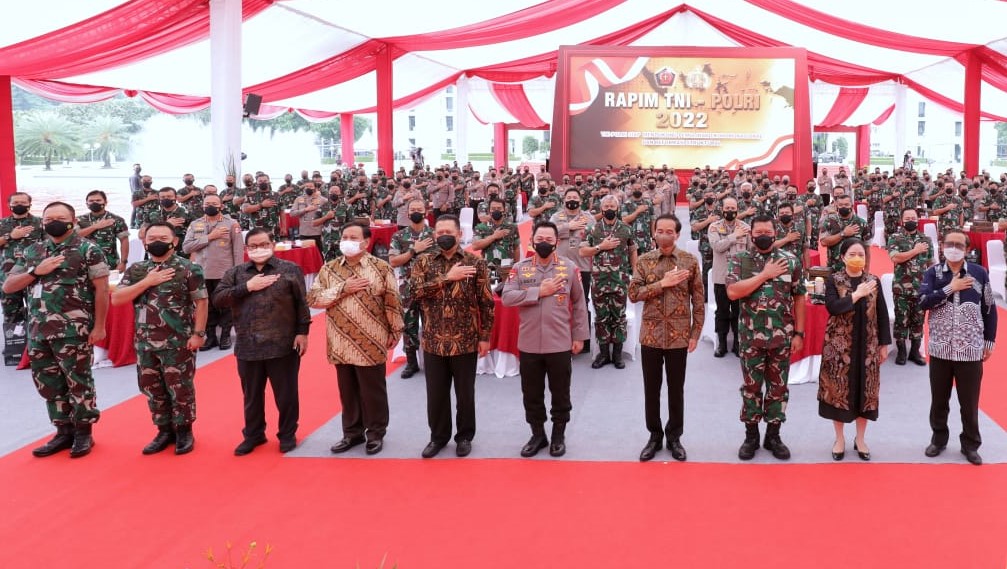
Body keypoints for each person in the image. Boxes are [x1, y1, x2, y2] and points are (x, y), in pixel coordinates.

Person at [3, 202, 109, 458]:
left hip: (74, 330)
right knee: (48, 383)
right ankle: (63, 431)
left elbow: (102, 290)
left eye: (60, 217)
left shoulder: (88, 249)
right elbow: (8, 286)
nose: (54, 222)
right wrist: (35, 271)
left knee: (78, 382)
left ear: (73, 220)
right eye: (49, 218)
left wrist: (99, 327)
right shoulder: (33, 250)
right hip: (39, 330)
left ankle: (83, 432)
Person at [112, 222, 208, 455]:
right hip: (145, 342)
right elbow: (117, 299)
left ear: (174, 242)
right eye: (151, 237)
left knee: (180, 388)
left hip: (178, 341)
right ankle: (164, 430)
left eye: (162, 237)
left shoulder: (188, 268)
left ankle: (184, 430)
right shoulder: (136, 269)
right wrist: (147, 282)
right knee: (151, 387)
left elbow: (202, 302)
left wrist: (198, 334)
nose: (156, 241)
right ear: (144, 241)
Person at [212, 228, 311, 455]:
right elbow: (218, 299)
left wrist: (302, 332)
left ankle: (287, 434)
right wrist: (247, 287)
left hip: (283, 344)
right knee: (252, 395)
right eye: (253, 246)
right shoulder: (236, 273)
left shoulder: (289, 269)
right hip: (248, 345)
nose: (259, 249)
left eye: (263, 244)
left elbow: (301, 304)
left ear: (273, 244)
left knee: (286, 394)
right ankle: (254, 434)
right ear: (246, 249)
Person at [308, 223, 403, 456]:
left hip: (372, 339)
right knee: (347, 391)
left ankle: (376, 433)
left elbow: (392, 301)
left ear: (366, 242)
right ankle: (352, 433)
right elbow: (314, 298)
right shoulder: (329, 269)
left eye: (353, 237)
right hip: (340, 340)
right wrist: (343, 288)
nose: (347, 241)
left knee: (373, 391)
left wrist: (395, 331)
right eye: (344, 236)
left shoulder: (380, 268)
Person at [501, 222, 589, 458]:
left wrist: (580, 335)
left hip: (559, 343)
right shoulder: (520, 269)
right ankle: (538, 434)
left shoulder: (569, 268)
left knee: (560, 392)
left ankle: (558, 435)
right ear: (532, 240)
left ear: (556, 243)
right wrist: (539, 291)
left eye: (549, 239)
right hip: (529, 343)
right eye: (540, 238)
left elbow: (580, 303)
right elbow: (507, 297)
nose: (544, 243)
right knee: (531, 393)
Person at [409, 215, 494, 458]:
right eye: (439, 232)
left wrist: (485, 336)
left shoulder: (474, 262)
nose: (443, 235)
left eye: (449, 231)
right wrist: (447, 278)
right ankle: (438, 437)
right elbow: (414, 293)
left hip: (465, 339)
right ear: (434, 235)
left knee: (465, 394)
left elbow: (486, 302)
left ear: (459, 235)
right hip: (434, 340)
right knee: (436, 394)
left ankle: (465, 436)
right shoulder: (423, 262)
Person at [726, 215, 806, 461]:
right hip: (751, 337)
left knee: (778, 389)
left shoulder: (790, 261)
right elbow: (732, 292)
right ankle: (751, 436)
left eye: (768, 231)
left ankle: (773, 435)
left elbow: (799, 297)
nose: (763, 234)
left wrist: (799, 332)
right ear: (751, 235)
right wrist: (765, 274)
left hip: (782, 337)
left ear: (775, 233)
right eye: (758, 231)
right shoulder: (740, 260)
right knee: (751, 388)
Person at [628, 214, 704, 462]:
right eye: (659, 230)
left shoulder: (689, 261)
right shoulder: (645, 260)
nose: (664, 235)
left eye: (669, 231)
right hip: (650, 335)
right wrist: (662, 283)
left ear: (677, 234)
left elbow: (698, 300)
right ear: (654, 233)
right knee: (651, 389)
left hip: (679, 336)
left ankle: (674, 436)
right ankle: (653, 435)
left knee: (675, 389)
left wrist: (696, 333)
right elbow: (634, 294)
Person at [919, 230, 997, 466]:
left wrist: (989, 341)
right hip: (941, 349)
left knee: (969, 401)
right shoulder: (933, 273)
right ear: (942, 246)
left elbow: (990, 308)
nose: (953, 248)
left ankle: (971, 444)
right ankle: (939, 439)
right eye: (949, 244)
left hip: (970, 348)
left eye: (958, 244)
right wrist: (949, 288)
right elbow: (923, 302)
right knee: (939, 399)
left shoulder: (979, 273)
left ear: (967, 248)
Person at [818, 239, 891, 461]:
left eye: (861, 254)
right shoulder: (834, 280)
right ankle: (839, 438)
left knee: (865, 391)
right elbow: (833, 307)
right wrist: (856, 294)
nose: (857, 257)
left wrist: (884, 344)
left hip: (867, 345)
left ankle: (860, 438)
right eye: (852, 254)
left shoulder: (873, 280)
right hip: (839, 346)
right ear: (843, 257)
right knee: (838, 390)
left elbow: (882, 314)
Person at [580, 195, 638, 369]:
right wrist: (600, 247)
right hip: (599, 279)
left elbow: (632, 251)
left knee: (619, 317)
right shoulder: (592, 228)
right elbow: (583, 252)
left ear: (618, 208)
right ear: (601, 208)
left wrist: (634, 273)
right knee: (601, 317)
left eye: (613, 205)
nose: (609, 208)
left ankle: (617, 355)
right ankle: (603, 354)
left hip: (620, 279)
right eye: (606, 205)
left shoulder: (626, 229)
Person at [182, 193, 244, 350]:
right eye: (207, 203)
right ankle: (210, 337)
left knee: (226, 305)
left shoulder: (232, 224)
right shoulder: (195, 224)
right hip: (201, 272)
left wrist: (238, 272)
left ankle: (225, 336)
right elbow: (187, 247)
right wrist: (210, 237)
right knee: (205, 306)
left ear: (221, 206)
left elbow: (238, 251)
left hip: (224, 272)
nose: (210, 206)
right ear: (202, 206)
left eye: (214, 203)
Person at [389, 198, 437, 379]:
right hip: (407, 288)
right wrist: (413, 250)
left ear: (426, 211)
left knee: (431, 324)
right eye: (413, 209)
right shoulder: (399, 236)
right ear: (407, 213)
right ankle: (411, 363)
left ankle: (432, 362)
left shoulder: (434, 234)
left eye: (419, 208)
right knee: (408, 325)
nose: (416, 211)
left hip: (430, 287)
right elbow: (393, 261)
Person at [550, 188, 596, 351]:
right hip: (559, 267)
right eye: (569, 197)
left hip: (582, 267)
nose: (572, 200)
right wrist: (569, 226)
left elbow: (593, 235)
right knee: (559, 301)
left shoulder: (588, 217)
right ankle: (560, 338)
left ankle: (583, 340)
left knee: (582, 303)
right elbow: (550, 234)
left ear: (581, 200)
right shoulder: (557, 217)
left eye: (575, 197)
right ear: (564, 200)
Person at [887, 208, 933, 365]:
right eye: (907, 218)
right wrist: (915, 250)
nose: (910, 220)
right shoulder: (895, 237)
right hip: (901, 288)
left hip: (921, 289)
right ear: (902, 220)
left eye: (913, 217)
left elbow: (930, 263)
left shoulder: (926, 239)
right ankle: (901, 352)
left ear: (918, 219)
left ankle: (915, 352)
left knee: (918, 321)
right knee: (901, 321)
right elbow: (896, 258)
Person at [708, 197, 749, 357]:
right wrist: (734, 236)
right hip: (722, 277)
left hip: (741, 278)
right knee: (722, 312)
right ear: (722, 209)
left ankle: (738, 345)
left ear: (737, 209)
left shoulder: (745, 227)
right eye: (728, 208)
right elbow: (717, 247)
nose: (730, 211)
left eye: (733, 208)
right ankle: (722, 344)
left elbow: (751, 252)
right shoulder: (714, 227)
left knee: (739, 312)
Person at [0, 192, 44, 324]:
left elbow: (51, 245)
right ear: (9, 205)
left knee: (37, 310)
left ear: (30, 204)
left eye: (23, 203)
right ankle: (14, 341)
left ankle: (34, 342)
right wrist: (10, 236)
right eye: (16, 203)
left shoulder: (40, 223)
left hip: (33, 273)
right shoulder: (2, 224)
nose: (19, 205)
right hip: (8, 275)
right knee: (11, 312)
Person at [76, 190, 130, 273]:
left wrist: (123, 262)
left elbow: (124, 241)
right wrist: (95, 226)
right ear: (86, 204)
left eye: (98, 200)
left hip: (109, 262)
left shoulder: (116, 219)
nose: (94, 203)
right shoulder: (79, 220)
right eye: (91, 201)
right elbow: (75, 236)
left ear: (105, 202)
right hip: (84, 262)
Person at [289, 181, 325, 249]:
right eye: (307, 186)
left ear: (315, 188)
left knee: (318, 254)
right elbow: (292, 213)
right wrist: (305, 210)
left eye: (311, 186)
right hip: (304, 232)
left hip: (317, 232)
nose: (308, 188)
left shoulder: (322, 199)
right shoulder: (299, 199)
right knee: (306, 254)